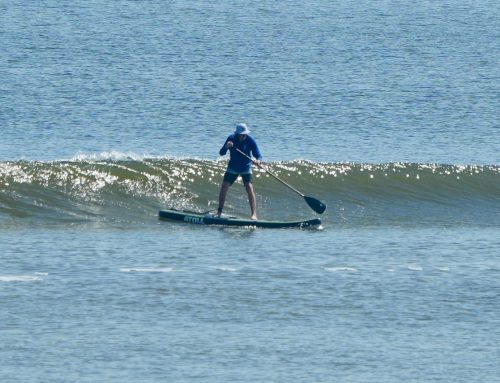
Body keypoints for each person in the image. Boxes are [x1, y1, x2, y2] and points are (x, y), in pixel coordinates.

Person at [217, 123, 262, 220]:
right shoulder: (231, 138)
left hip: (246, 167)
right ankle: (219, 212)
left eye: (245, 134)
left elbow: (258, 155)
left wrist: (258, 160)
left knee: (249, 187)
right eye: (242, 134)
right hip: (232, 167)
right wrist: (226, 147)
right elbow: (221, 153)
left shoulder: (250, 140)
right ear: (237, 134)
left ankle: (254, 214)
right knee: (224, 187)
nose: (244, 136)